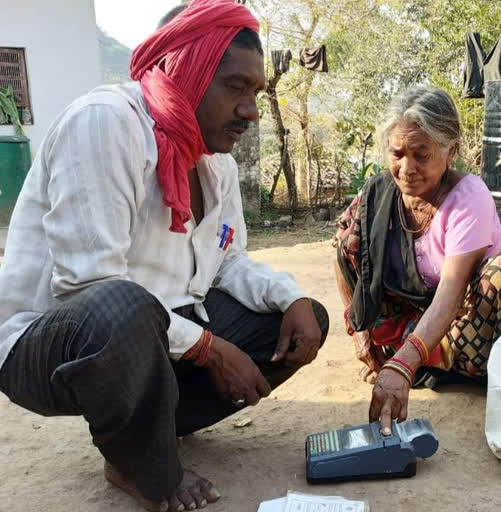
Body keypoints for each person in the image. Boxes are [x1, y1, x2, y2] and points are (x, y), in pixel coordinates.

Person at [0, 1, 328, 511]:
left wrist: (291, 297)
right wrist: (212, 349)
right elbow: (89, 287)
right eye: (236, 87)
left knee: (297, 321)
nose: (250, 111)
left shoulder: (212, 160)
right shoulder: (105, 124)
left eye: (256, 93)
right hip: (51, 341)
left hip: (160, 332)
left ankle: (148, 428)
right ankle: (138, 461)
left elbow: (227, 260)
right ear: (186, 70)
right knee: (122, 308)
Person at [333, 87, 501, 435]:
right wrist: (363, 340)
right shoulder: (378, 193)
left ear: (451, 152)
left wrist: (402, 364)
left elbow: (450, 295)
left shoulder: (468, 198)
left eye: (421, 154)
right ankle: (418, 360)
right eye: (397, 153)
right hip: (408, 334)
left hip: (466, 332)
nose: (406, 168)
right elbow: (344, 256)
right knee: (352, 238)